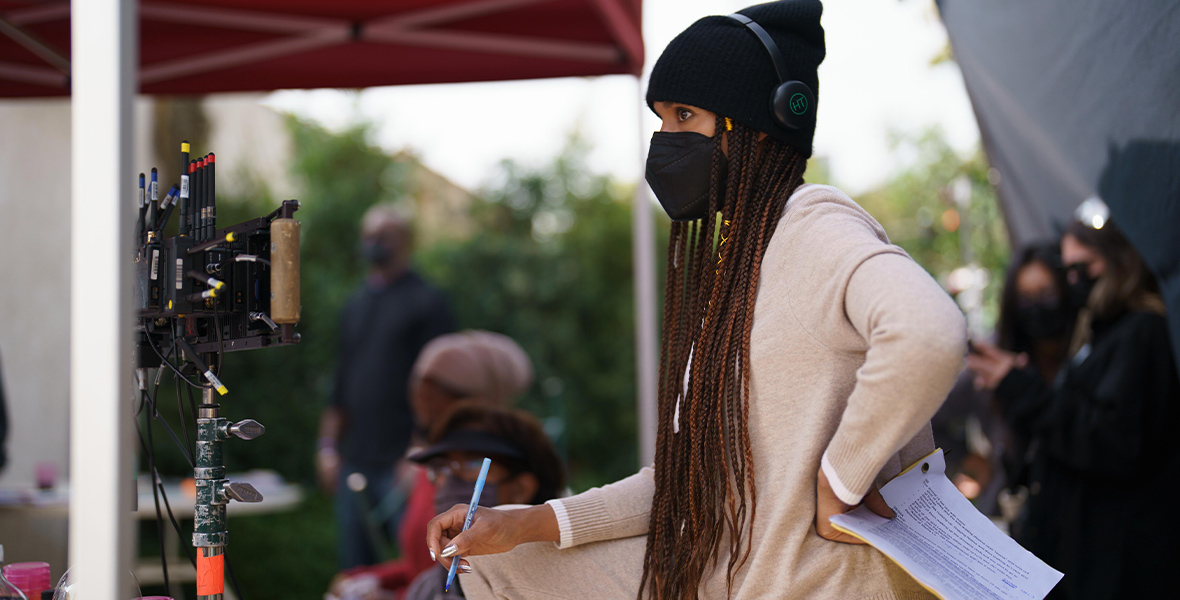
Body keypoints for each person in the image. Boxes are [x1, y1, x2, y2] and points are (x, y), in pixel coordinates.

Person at [426, 2, 968, 598]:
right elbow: (684, 486)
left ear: (763, 124)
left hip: (814, 583)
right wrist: (526, 522)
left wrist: (841, 478)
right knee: (493, 565)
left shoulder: (812, 225)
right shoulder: (739, 259)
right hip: (728, 574)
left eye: (685, 115)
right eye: (660, 119)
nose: (665, 140)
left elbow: (928, 333)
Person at [968, 209, 1179, 599]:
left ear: (1120, 259)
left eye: (1085, 265)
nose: (1076, 280)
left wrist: (1026, 391)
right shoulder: (1101, 338)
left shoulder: (1141, 332)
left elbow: (1114, 440)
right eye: (1068, 270)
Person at [329, 331, 534, 599]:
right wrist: (365, 577)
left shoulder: (492, 478)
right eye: (418, 385)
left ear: (476, 400)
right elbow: (421, 565)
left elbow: (466, 582)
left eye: (437, 389)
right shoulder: (435, 466)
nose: (420, 398)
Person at [319, 203, 456, 569]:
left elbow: (440, 385)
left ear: (407, 241)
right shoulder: (354, 305)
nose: (375, 243)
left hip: (403, 464)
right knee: (357, 570)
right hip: (354, 461)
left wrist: (420, 450)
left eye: (385, 235)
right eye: (369, 235)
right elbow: (341, 381)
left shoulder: (428, 301)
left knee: (413, 565)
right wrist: (328, 446)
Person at [331, 402, 564, 600]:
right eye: (441, 467)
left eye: (473, 465)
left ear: (521, 489)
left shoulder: (556, 579)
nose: (450, 481)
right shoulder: (430, 585)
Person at [932, 244, 1074, 513]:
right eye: (1026, 299)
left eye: (1047, 294)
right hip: (1014, 506)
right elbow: (928, 415)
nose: (1037, 309)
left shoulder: (1087, 352)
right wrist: (966, 458)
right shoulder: (993, 360)